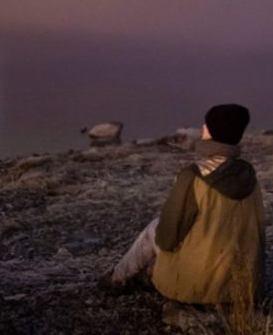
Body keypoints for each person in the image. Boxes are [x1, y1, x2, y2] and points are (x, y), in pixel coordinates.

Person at [102, 103, 264, 306]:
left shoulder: (194, 176)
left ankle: (116, 279)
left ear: (210, 132)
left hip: (199, 287)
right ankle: (140, 275)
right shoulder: (249, 174)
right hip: (244, 285)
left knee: (154, 228)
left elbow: (167, 238)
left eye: (206, 124)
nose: (202, 127)